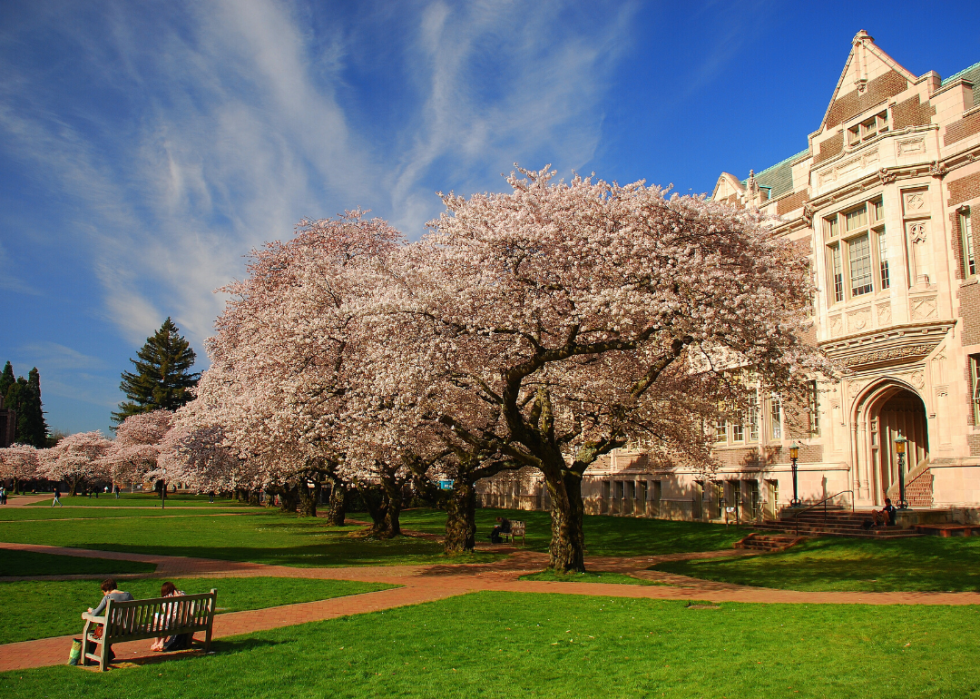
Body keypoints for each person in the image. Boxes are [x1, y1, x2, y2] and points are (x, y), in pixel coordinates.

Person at [84, 579, 134, 662]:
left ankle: (88, 659)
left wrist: (91, 611)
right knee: (105, 633)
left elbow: (95, 613)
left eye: (103, 591)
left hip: (115, 630)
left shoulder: (108, 597)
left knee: (95, 633)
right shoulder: (128, 595)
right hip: (128, 628)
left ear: (107, 590)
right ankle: (108, 655)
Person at [150, 582, 187, 651]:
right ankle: (161, 642)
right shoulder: (182, 594)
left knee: (158, 620)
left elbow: (168, 613)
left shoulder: (166, 598)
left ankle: (157, 642)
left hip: (172, 622)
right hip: (183, 621)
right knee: (164, 622)